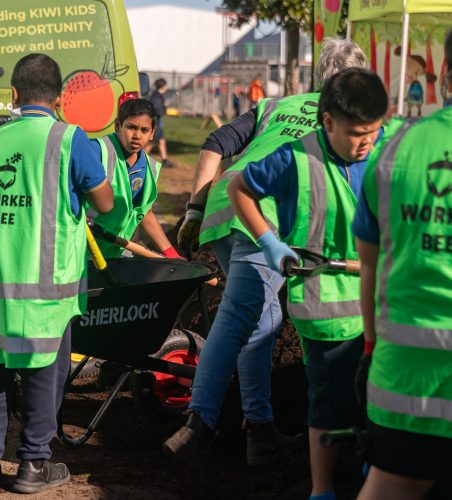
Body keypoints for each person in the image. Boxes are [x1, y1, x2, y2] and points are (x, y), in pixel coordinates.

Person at [165, 39, 367, 480]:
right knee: (239, 318)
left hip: (224, 205)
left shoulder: (277, 104)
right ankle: (197, 425)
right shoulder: (345, 120)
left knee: (264, 320)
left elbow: (216, 142)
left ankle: (260, 428)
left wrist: (194, 208)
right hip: (266, 214)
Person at [227, 68, 388, 500]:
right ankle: (322, 490)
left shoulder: (387, 149)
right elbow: (238, 188)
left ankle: (375, 475)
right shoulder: (293, 158)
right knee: (328, 400)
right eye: (357, 133)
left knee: (381, 401)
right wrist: (269, 241)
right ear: (328, 121)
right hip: (329, 307)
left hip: (383, 302)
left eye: (374, 130)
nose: (366, 142)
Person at [0, 53, 114, 494]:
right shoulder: (70, 140)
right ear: (63, 97)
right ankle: (33, 466)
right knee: (43, 373)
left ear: (12, 95)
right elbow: (103, 202)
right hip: (48, 289)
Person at [353, 33, 452, 500]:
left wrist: (369, 347)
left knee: (392, 486)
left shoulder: (394, 151)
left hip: (405, 383)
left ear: (445, 75)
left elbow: (368, 267)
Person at [90, 98, 181, 259]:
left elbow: (144, 213)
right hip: (84, 251)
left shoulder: (149, 167)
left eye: (144, 130)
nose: (137, 136)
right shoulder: (98, 151)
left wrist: (172, 255)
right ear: (118, 125)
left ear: (152, 133)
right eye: (131, 127)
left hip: (115, 252)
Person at [145, 78, 174, 168]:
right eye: (166, 85)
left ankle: (164, 160)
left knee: (161, 141)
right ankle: (139, 158)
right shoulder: (156, 96)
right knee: (152, 142)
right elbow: (158, 111)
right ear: (163, 86)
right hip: (155, 123)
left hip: (158, 123)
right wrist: (165, 106)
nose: (166, 87)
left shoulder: (158, 95)